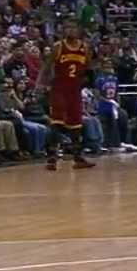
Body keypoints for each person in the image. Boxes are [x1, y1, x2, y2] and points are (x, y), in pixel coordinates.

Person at [36, 20, 95, 170]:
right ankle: (51, 157)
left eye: (73, 27)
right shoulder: (58, 47)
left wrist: (87, 82)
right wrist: (40, 83)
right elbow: (46, 66)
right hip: (59, 89)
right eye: (67, 28)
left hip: (75, 90)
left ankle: (78, 158)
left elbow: (88, 68)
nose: (70, 30)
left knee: (76, 125)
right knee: (57, 123)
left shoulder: (85, 48)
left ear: (78, 30)